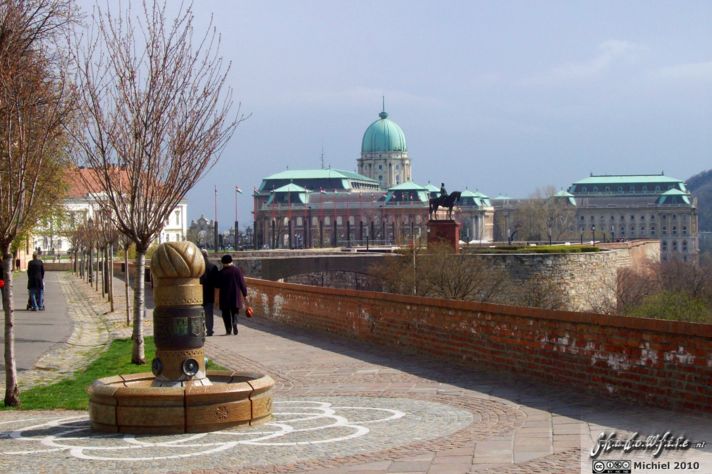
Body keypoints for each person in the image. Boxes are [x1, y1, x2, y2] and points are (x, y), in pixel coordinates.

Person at [216, 254, 247, 336]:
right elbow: (242, 283)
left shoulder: (221, 272)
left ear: (223, 263)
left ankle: (228, 330)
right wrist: (245, 294)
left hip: (224, 297)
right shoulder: (237, 271)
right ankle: (235, 322)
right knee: (235, 312)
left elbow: (217, 285)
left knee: (225, 314)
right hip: (235, 296)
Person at [199, 249, 219, 336]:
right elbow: (217, 283)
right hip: (210, 294)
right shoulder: (213, 267)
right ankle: (209, 330)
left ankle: (201, 329)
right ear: (207, 255)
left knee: (199, 314)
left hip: (199, 293)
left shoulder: (197, 267)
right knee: (209, 314)